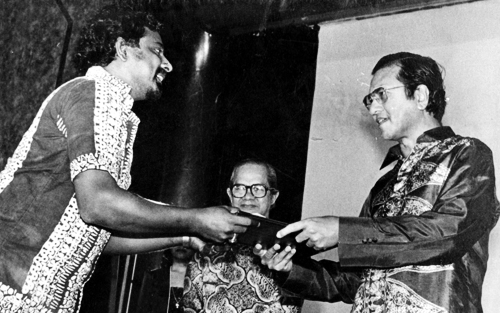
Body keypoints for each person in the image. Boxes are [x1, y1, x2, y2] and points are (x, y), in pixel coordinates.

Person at [0, 6, 255, 313]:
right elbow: (99, 205)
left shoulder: (111, 110)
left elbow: (95, 239)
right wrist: (197, 219)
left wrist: (186, 235)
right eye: (157, 50)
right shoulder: (92, 93)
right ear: (123, 49)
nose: (168, 64)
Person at [255, 52, 500, 313]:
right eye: (369, 100)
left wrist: (343, 232)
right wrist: (291, 269)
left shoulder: (468, 154)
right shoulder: (384, 185)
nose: (372, 109)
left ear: (420, 96)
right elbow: (354, 282)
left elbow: (448, 231)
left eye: (381, 94)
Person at [182, 159, 304, 313]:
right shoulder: (206, 250)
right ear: (230, 194)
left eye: (258, 188)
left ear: (273, 197)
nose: (248, 196)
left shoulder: (289, 252)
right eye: (239, 188)